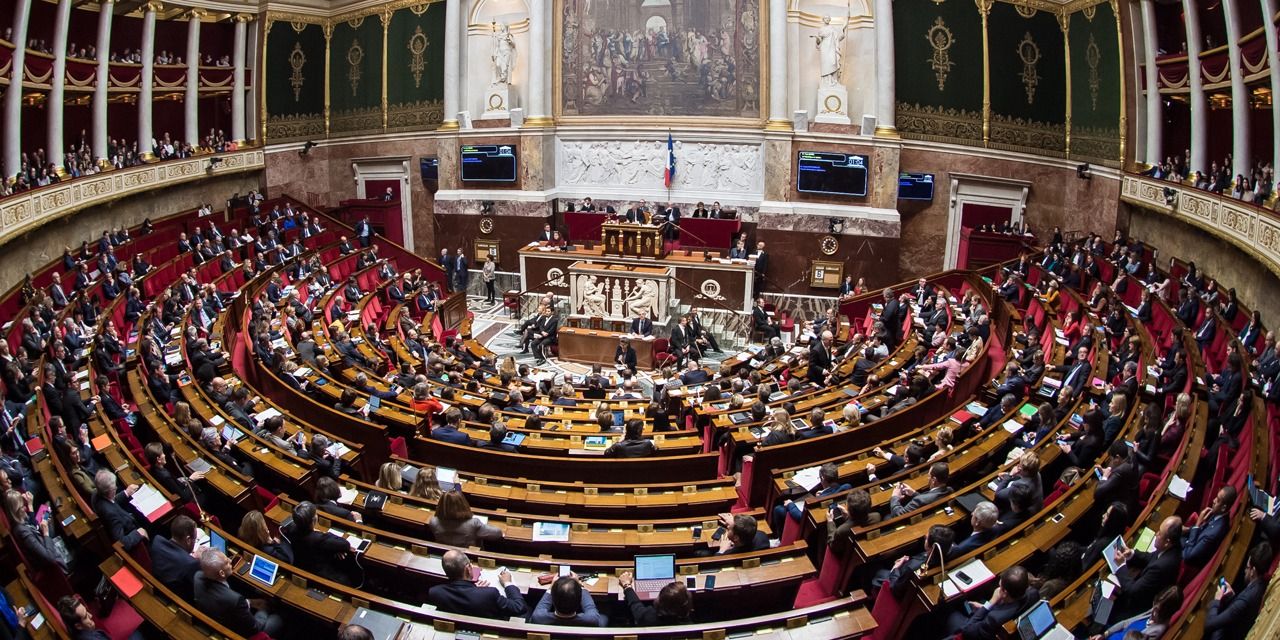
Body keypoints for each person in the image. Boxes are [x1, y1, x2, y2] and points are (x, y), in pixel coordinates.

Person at [193, 549, 285, 637]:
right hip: (236, 633)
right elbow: (255, 629)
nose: (230, 560)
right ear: (222, 573)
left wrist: (250, 602)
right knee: (278, 618)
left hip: (216, 618)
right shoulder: (234, 599)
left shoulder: (197, 576)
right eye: (226, 562)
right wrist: (264, 609)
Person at [1110, 515, 1184, 621]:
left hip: (1137, 607)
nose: (1156, 534)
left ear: (1167, 542)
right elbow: (1151, 557)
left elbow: (1133, 591)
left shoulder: (1161, 567)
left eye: (1160, 533)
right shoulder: (1173, 547)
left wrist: (1120, 566)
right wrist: (1131, 554)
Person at [427, 550, 528, 619]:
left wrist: (475, 589)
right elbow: (519, 607)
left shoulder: (435, 592)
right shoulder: (490, 593)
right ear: (468, 569)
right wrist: (507, 583)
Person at [945, 565, 1038, 640]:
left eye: (1000, 586)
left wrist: (989, 604)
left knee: (948, 610)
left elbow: (967, 631)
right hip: (999, 624)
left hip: (975, 631)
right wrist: (984, 607)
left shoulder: (994, 618)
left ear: (1005, 593)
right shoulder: (1033, 594)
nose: (998, 587)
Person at [1203, 542, 1272, 640]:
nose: (1245, 571)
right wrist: (1232, 597)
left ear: (1253, 571)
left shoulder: (1246, 599)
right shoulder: (1261, 584)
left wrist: (1216, 601)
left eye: (1247, 567)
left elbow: (1209, 625)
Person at [285, 501, 355, 586]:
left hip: (303, 565)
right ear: (314, 520)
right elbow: (345, 544)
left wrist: (335, 549)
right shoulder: (319, 538)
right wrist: (325, 534)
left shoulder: (291, 529)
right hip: (321, 574)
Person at [771, 462, 849, 533]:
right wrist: (822, 493)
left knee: (778, 509)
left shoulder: (821, 499)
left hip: (813, 527)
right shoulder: (846, 487)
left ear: (822, 478)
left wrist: (790, 505)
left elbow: (801, 517)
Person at [1091, 585, 1182, 640]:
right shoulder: (1153, 610)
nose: (1153, 612)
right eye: (1155, 606)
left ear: (1167, 613)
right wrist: (1104, 635)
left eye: (1158, 611)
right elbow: (1125, 623)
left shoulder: (1157, 631)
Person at [91, 469, 148, 551]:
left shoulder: (96, 493)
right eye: (115, 487)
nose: (116, 488)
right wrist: (138, 533)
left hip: (125, 517)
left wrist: (126, 493)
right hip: (132, 530)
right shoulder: (111, 514)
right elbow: (121, 542)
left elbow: (111, 502)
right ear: (110, 491)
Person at [1182, 485, 1236, 567]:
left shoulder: (1214, 533)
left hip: (1185, 556)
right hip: (1189, 543)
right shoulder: (1218, 514)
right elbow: (1201, 530)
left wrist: (1197, 524)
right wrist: (1187, 529)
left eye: (1218, 500)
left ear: (1223, 508)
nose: (1214, 500)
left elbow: (1189, 557)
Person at [150, 514, 201, 601]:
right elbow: (197, 591)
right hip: (179, 600)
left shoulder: (157, 541)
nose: (194, 542)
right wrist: (198, 561)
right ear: (188, 540)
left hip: (159, 588)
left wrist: (190, 557)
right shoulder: (191, 564)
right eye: (195, 539)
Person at [429, 490, 503, 547]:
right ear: (463, 504)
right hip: (468, 557)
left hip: (444, 555)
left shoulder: (433, 522)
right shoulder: (473, 524)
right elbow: (498, 533)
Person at [617, 571, 692, 625]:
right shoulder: (687, 624)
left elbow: (635, 605)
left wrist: (627, 585)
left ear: (660, 601)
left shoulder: (648, 617)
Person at [529, 576, 607, 626]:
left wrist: (551, 587)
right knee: (604, 617)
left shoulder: (538, 618)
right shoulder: (592, 619)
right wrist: (580, 585)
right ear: (580, 601)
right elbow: (590, 607)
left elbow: (543, 605)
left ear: (552, 601)